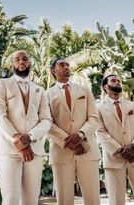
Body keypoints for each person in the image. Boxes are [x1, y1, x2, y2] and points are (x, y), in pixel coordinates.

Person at [0, 50, 52, 205]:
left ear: (30, 63)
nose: (21, 62)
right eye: (17, 59)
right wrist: (18, 140)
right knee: (10, 199)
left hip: (34, 150)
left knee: (31, 200)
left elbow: (46, 119)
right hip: (10, 150)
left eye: (25, 59)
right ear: (13, 64)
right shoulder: (2, 84)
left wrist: (30, 137)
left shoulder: (40, 89)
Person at [47, 58, 101, 205]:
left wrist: (80, 135)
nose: (66, 67)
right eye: (62, 65)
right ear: (53, 70)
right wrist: (68, 141)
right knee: (64, 199)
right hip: (61, 150)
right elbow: (46, 123)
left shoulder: (85, 90)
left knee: (93, 198)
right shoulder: (46, 94)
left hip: (87, 149)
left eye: (67, 65)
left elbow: (94, 118)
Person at [96, 74, 134, 205]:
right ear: (105, 86)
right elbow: (99, 131)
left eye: (119, 81)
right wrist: (119, 150)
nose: (117, 82)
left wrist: (132, 147)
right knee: (116, 200)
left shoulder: (132, 105)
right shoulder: (98, 107)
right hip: (113, 158)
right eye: (113, 81)